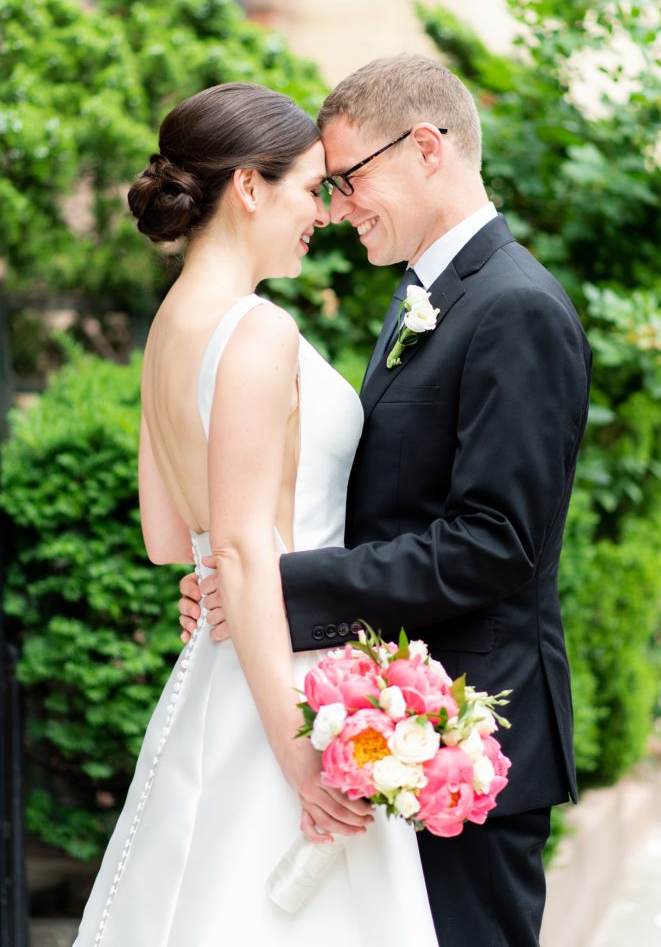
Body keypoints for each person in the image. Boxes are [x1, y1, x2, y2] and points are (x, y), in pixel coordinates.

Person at [179, 54, 593, 946]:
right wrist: (244, 596)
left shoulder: (516, 306)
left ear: (427, 148)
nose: (336, 206)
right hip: (386, 721)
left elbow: (494, 543)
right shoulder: (421, 294)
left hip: (468, 740)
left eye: (349, 178)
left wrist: (281, 588)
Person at [73, 81, 439, 947]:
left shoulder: (169, 327)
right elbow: (237, 548)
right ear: (247, 186)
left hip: (218, 668)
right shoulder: (257, 331)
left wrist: (218, 580)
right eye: (310, 188)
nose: (322, 212)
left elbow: (173, 540)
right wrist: (301, 758)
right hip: (292, 684)